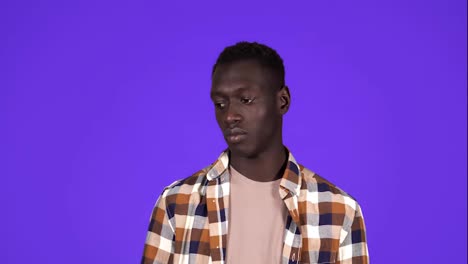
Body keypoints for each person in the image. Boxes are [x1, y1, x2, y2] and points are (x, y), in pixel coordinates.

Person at [142, 41, 369, 264]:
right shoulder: (176, 203)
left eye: (245, 100)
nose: (230, 116)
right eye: (220, 103)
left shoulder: (340, 211)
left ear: (283, 101)